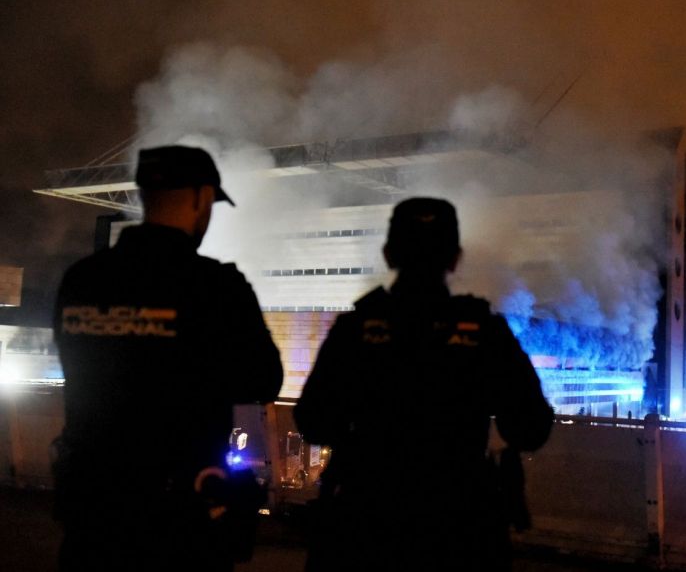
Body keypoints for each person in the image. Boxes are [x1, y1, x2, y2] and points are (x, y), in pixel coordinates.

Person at [52, 145, 284, 572]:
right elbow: (264, 379)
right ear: (200, 197)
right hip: (180, 521)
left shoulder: (82, 280)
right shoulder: (216, 287)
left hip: (93, 514)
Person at [294, 197, 553, 572]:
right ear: (455, 258)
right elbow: (531, 428)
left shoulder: (358, 328)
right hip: (458, 525)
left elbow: (313, 420)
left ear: (388, 254)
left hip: (366, 522)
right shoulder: (481, 330)